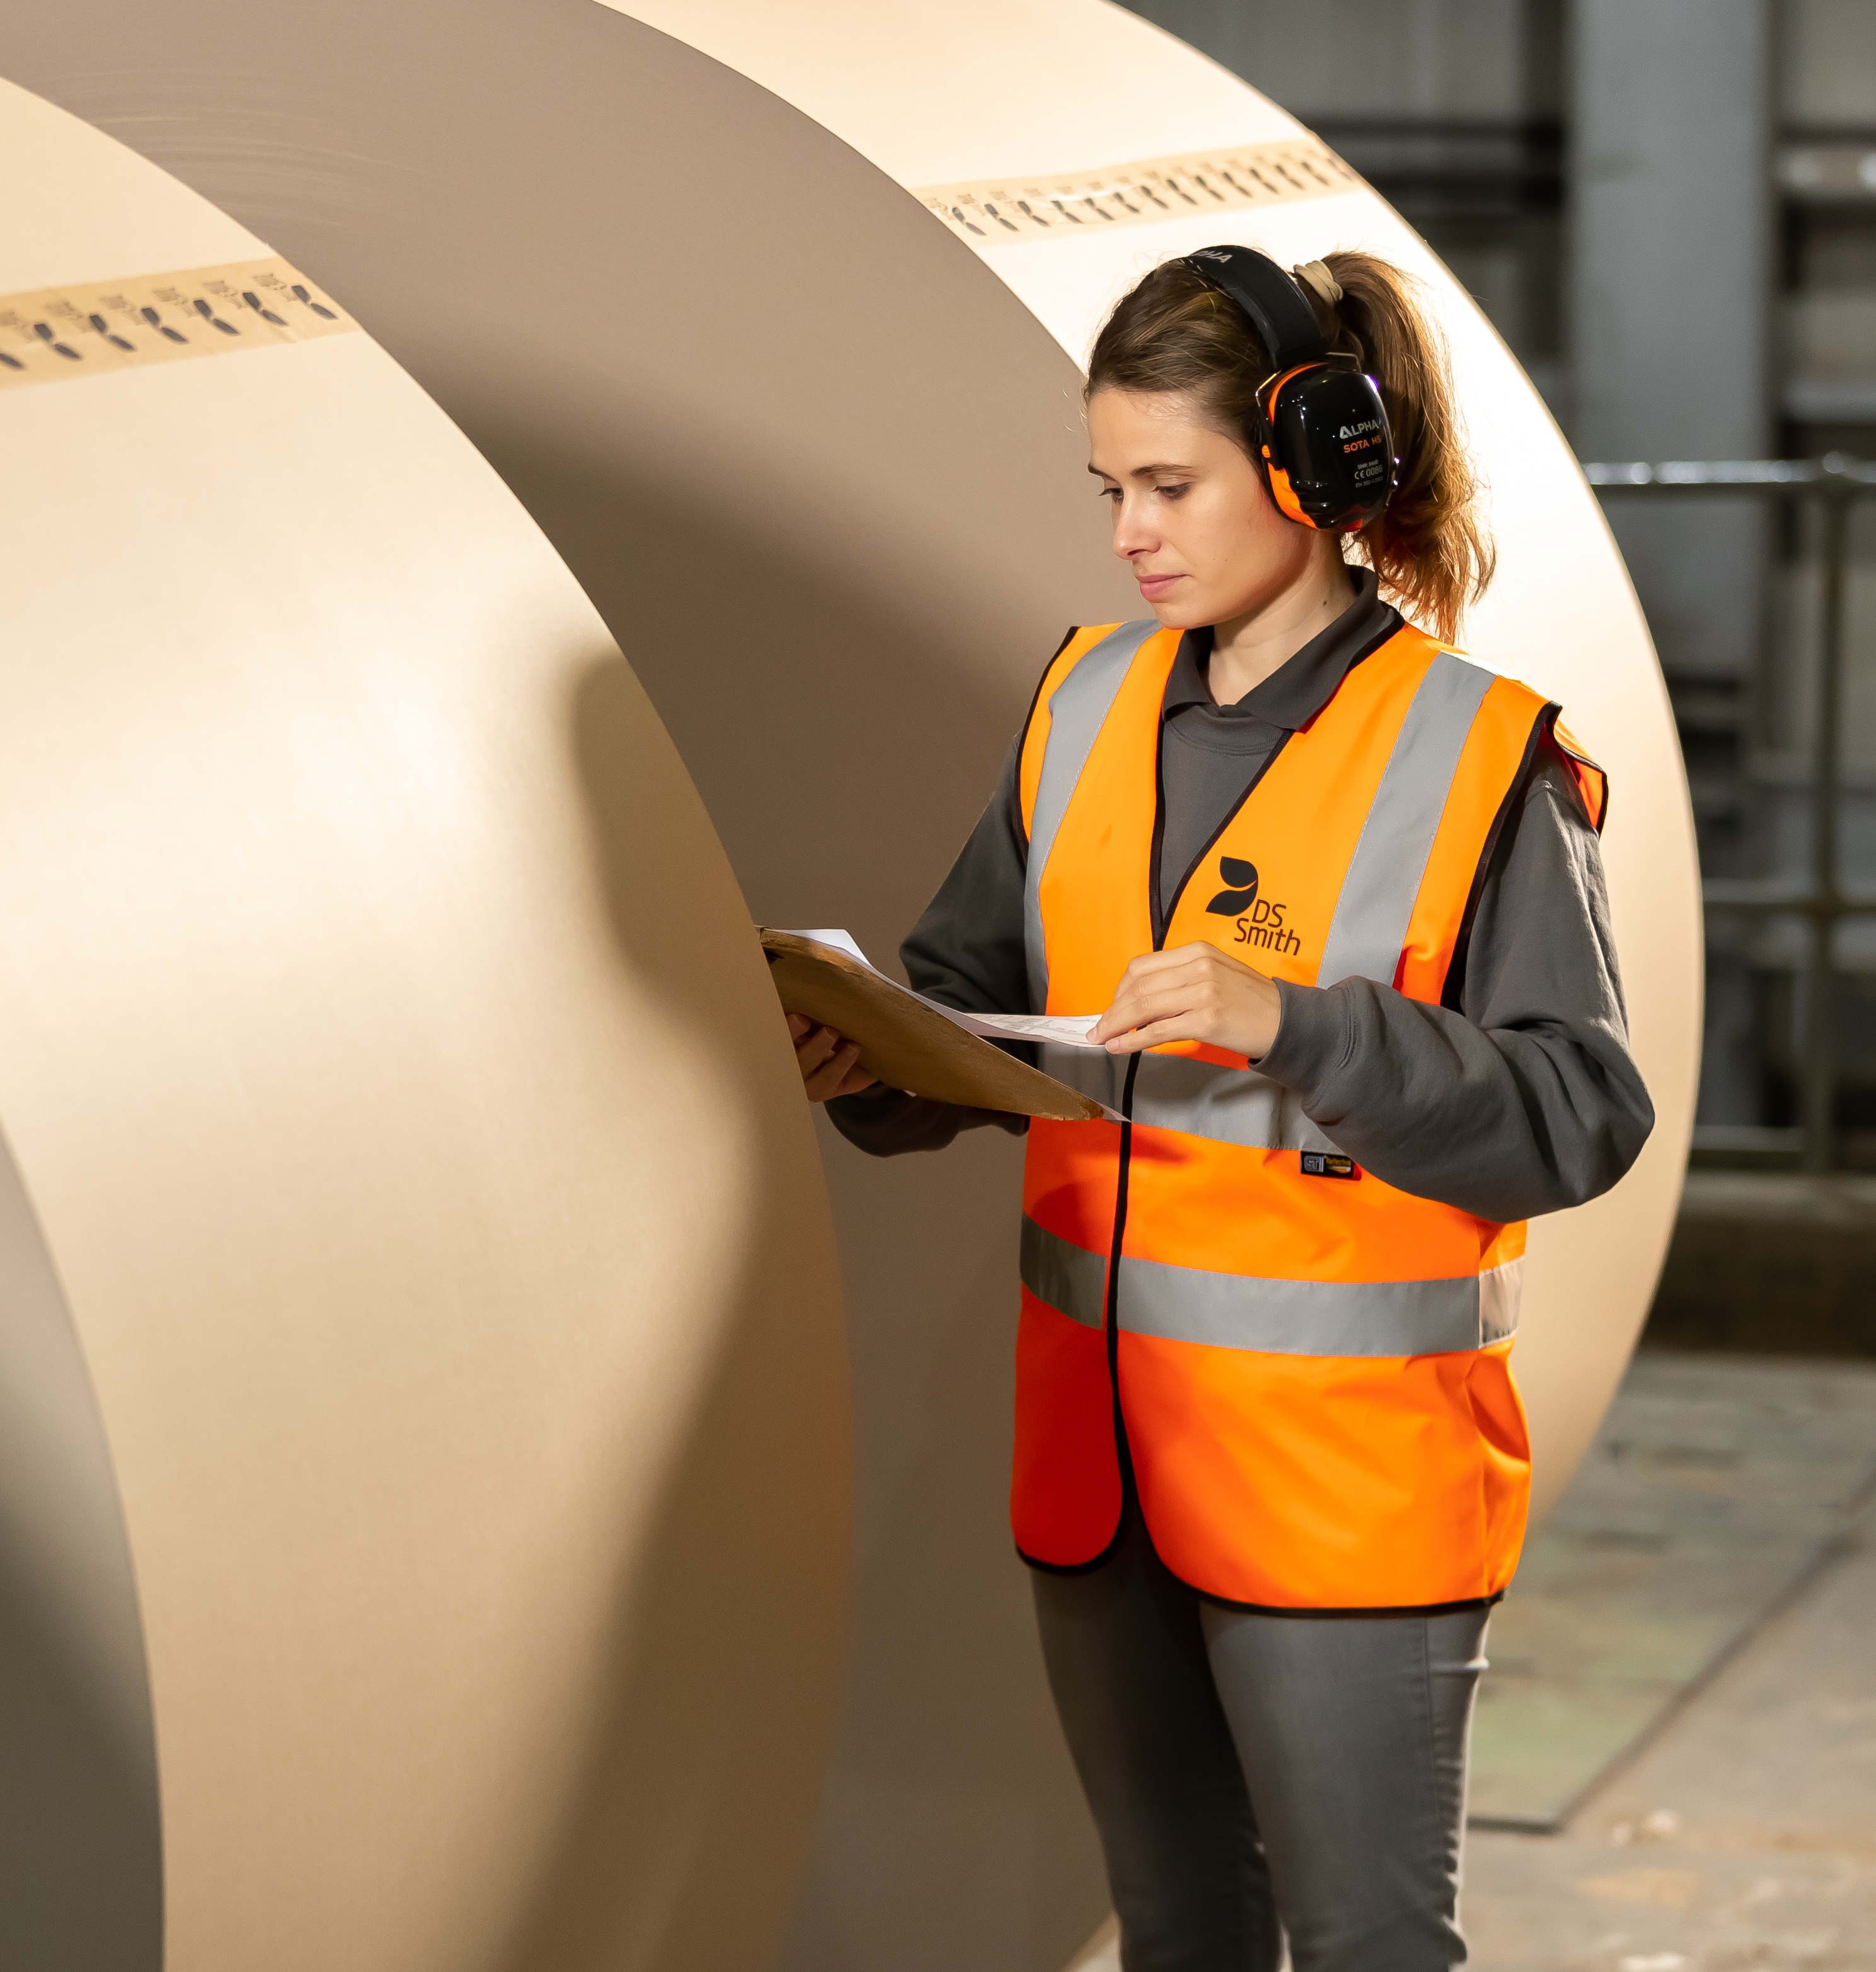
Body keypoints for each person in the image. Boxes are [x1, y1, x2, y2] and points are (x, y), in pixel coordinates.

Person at [790, 246, 1652, 1971]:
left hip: (1345, 1491)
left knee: (1366, 1947)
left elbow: (1580, 1113)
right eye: (1111, 488)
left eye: (1168, 486)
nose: (1130, 533)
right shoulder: (1082, 702)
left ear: (1315, 468)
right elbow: (969, 995)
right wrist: (881, 1061)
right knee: (1182, 1933)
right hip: (1102, 1472)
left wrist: (1307, 1027)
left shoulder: (1484, 759)